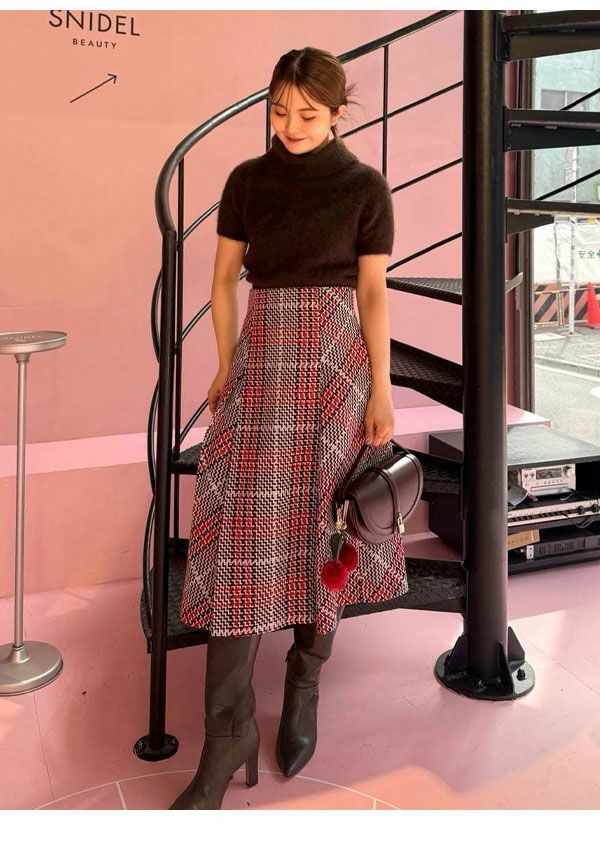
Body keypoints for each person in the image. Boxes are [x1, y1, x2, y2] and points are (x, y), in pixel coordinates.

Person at [169, 46, 409, 810]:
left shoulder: (365, 187)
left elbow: (372, 293)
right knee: (238, 538)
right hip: (264, 355)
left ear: (338, 111)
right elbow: (221, 281)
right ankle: (228, 733)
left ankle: (305, 681)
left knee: (325, 528)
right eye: (279, 110)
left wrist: (381, 388)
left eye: (307, 113)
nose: (292, 124)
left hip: (337, 363)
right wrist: (225, 363)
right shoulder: (249, 180)